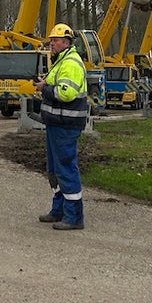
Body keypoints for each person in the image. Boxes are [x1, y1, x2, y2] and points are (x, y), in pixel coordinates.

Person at [35, 23, 89, 230]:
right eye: (51, 40)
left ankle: (74, 217)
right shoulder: (61, 61)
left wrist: (44, 88)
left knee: (65, 168)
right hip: (56, 123)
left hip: (66, 125)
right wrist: (45, 84)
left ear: (66, 42)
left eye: (55, 40)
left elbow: (66, 93)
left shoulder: (70, 63)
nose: (51, 43)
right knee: (55, 170)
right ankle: (58, 210)